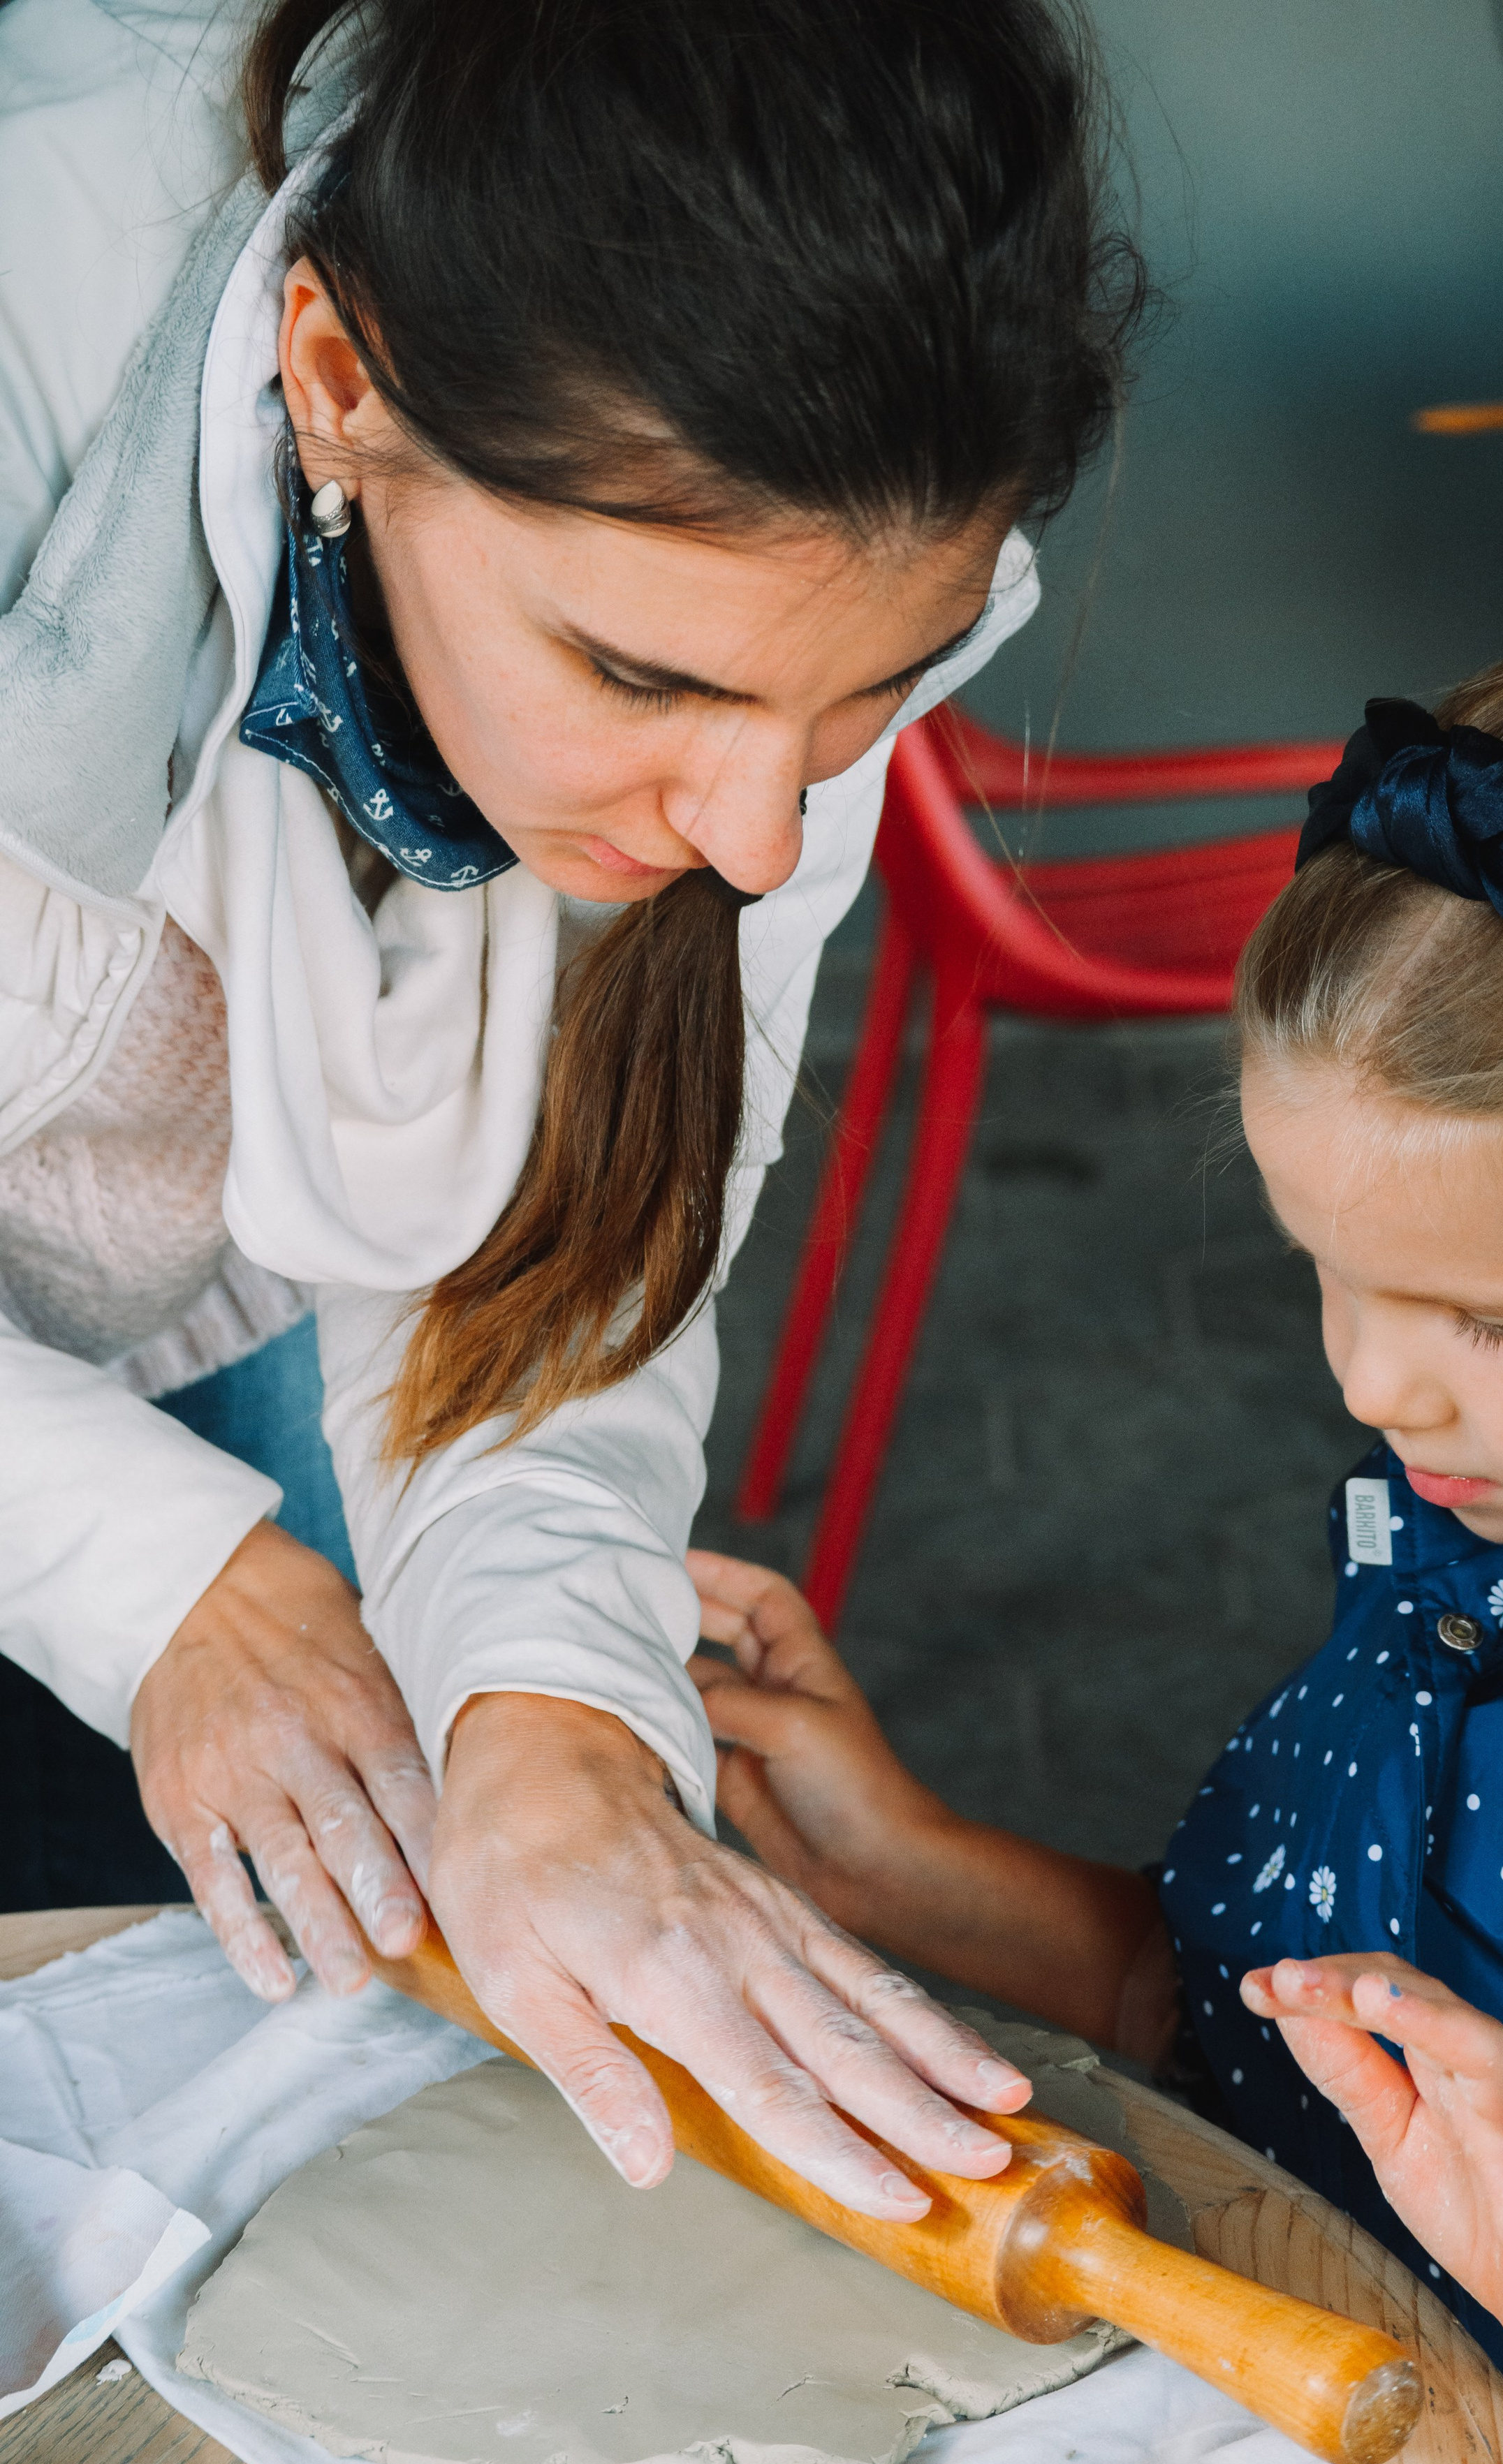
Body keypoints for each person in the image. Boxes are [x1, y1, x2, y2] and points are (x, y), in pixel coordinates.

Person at [0, 0, 1146, 2214]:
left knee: (269, 2067)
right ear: (337, 386)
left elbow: (565, 1250)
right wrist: (161, 1584)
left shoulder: (781, 623)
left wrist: (550, 1706)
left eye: (863, 701)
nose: (748, 833)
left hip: (218, 1287)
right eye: (641, 678)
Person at [688, 630, 1503, 2464]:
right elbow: (1244, 2015)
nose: (1379, 1383)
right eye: (1328, 1276)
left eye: (1501, 1326)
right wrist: (897, 1862)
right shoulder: (1488, 1528)